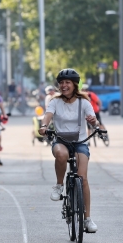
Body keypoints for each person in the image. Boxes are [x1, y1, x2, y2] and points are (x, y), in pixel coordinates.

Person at [38, 68, 99, 232]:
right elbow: (48, 115)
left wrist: (94, 122)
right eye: (61, 83)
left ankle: (87, 219)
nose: (64, 85)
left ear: (74, 85)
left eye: (67, 83)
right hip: (61, 141)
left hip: (80, 142)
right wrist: (44, 126)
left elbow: (94, 121)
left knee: (83, 178)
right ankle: (59, 185)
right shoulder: (55, 101)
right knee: (61, 154)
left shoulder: (84, 102)